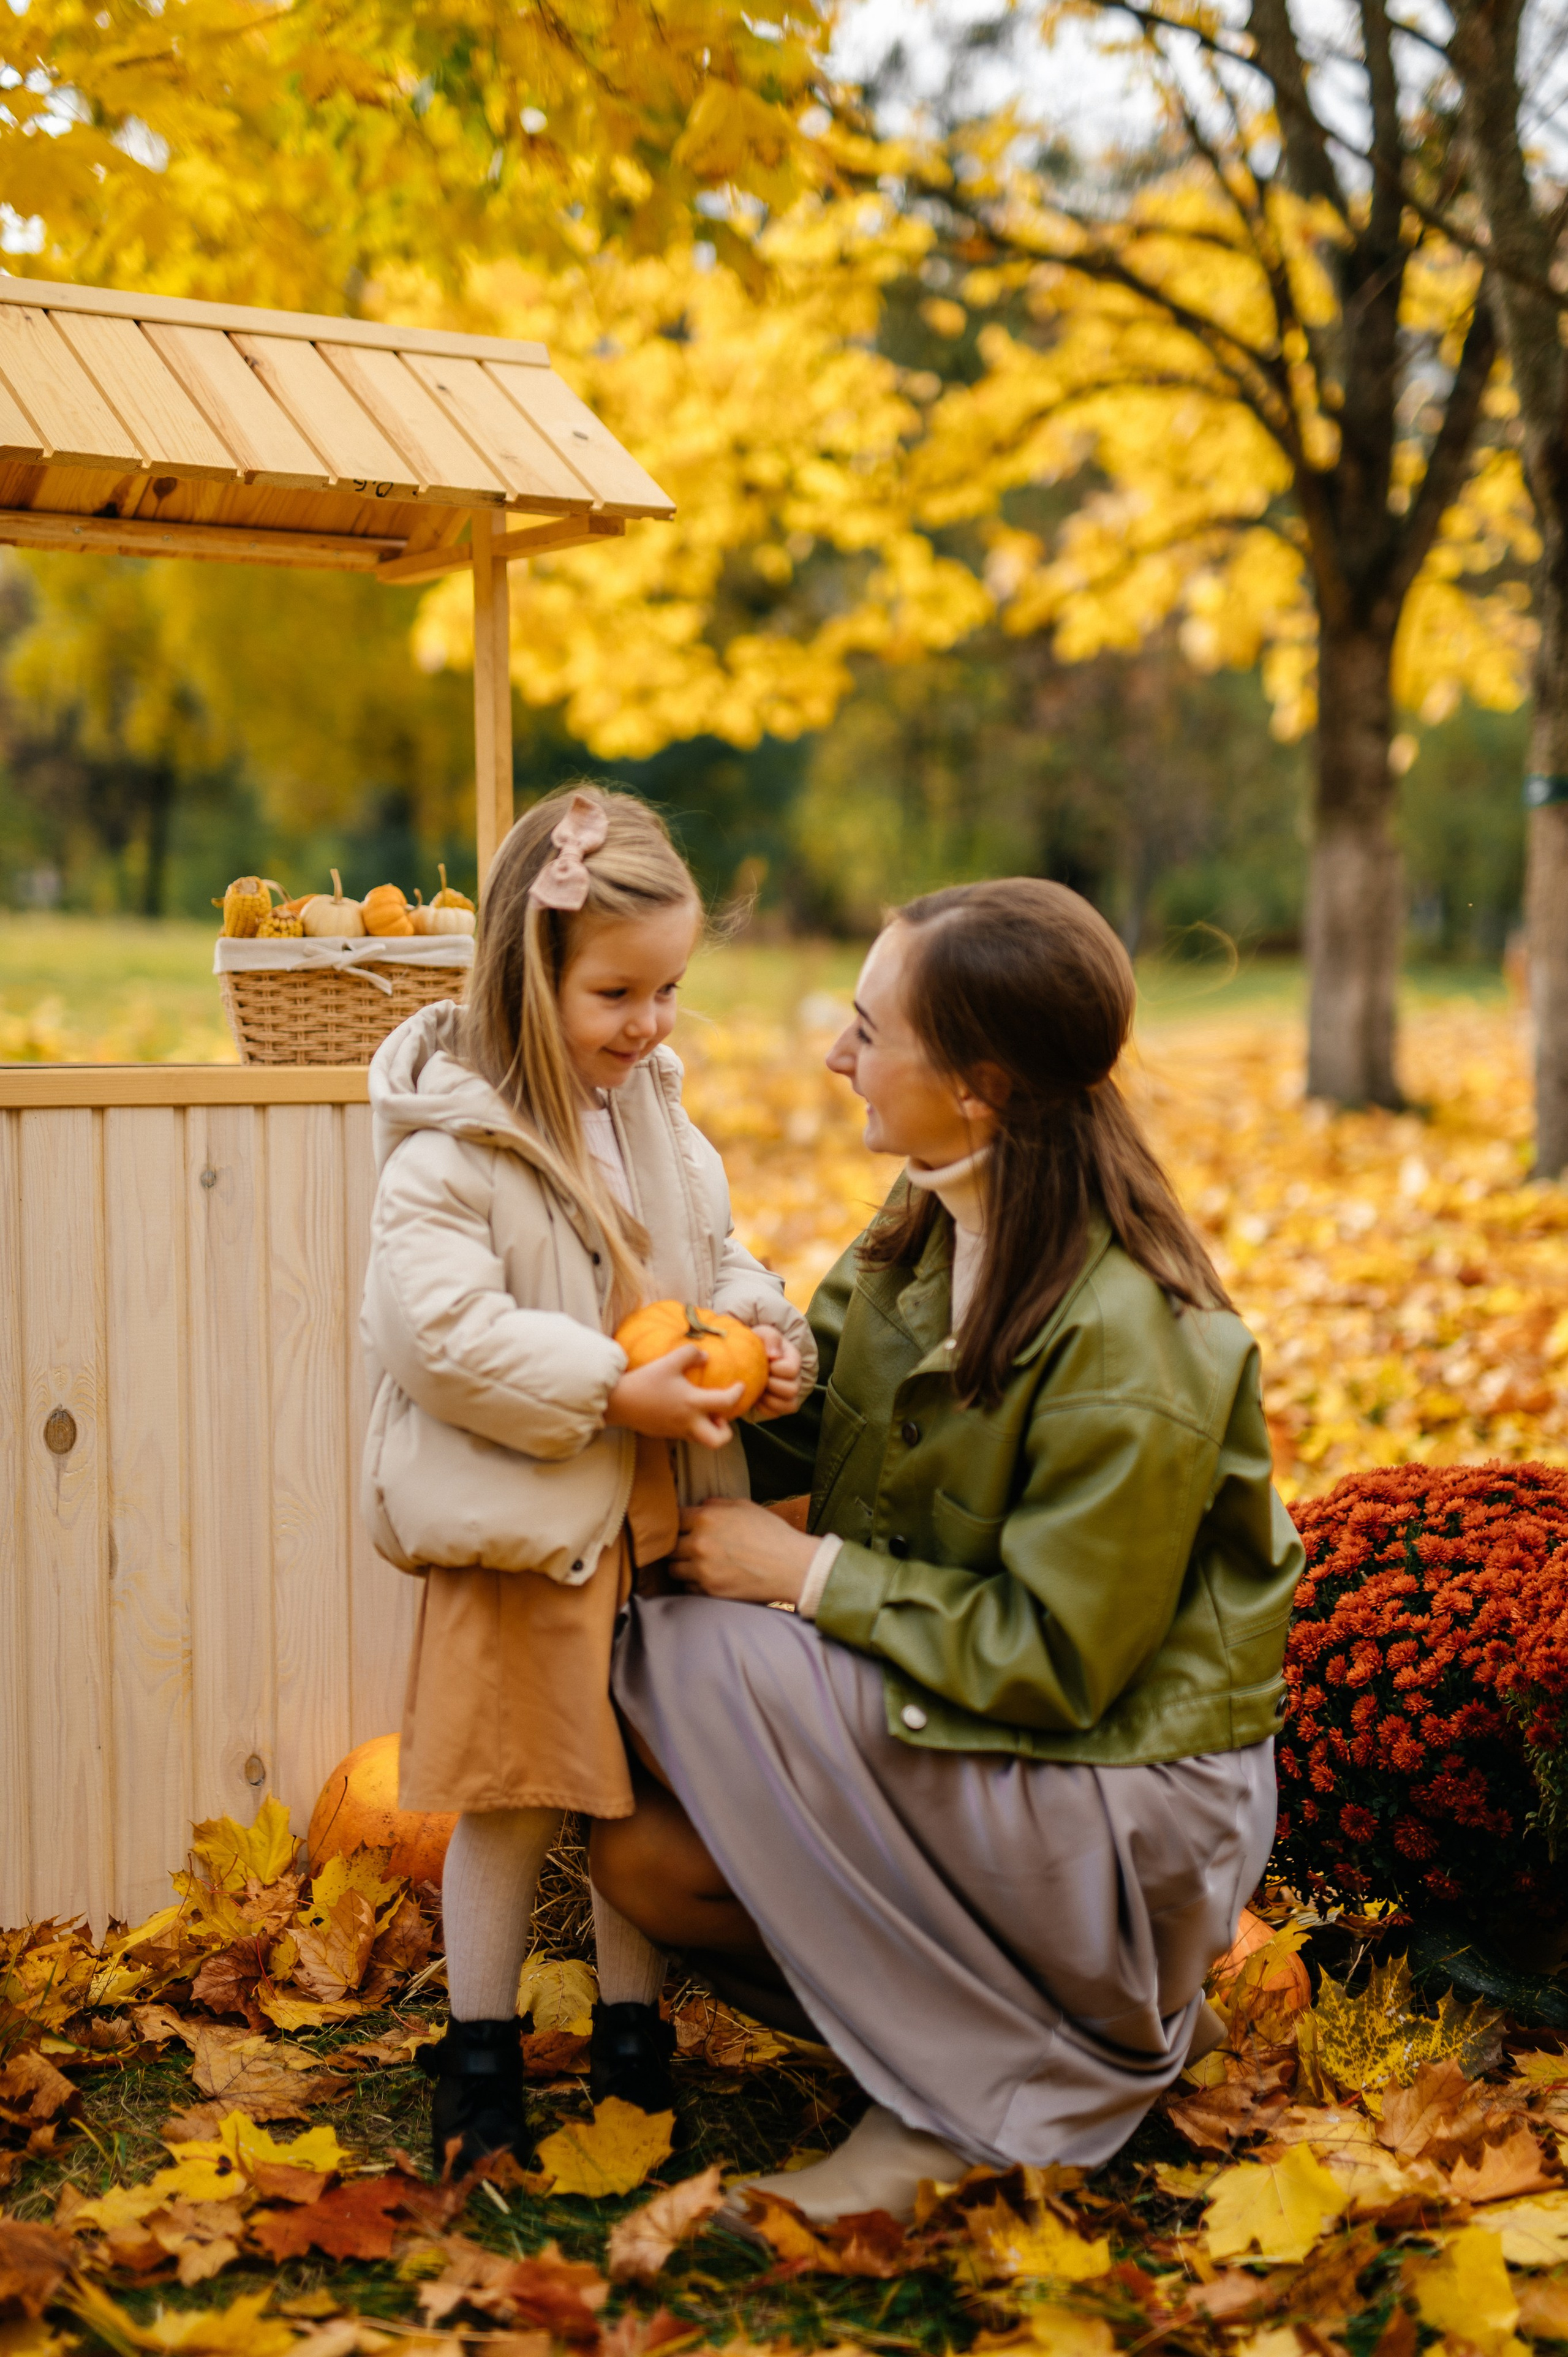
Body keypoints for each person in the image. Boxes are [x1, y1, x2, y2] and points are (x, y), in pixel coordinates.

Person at [594, 878, 1302, 2220]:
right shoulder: (918, 1232)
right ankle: (1087, 2051)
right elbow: (797, 1457)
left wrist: (799, 1574)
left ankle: (962, 2105)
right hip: (998, 1738)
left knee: (674, 1650)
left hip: (1127, 1788)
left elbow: (1061, 1659)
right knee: (647, 1865)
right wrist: (672, 1369)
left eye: (868, 1029)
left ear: (976, 1086)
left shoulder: (1127, 1334)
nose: (834, 1054)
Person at [359, 785, 814, 2171]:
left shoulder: (659, 1122)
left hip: (656, 1521)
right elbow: (442, 1337)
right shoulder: (451, 1148)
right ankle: (479, 2048)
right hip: (522, 1525)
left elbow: (718, 1257)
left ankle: (634, 2032)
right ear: (527, 970)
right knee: (510, 1790)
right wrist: (605, 1387)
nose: (649, 1023)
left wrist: (765, 1332)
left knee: (642, 1790)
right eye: (616, 991)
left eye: (668, 989)